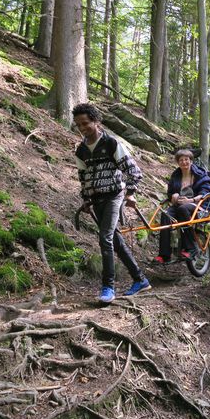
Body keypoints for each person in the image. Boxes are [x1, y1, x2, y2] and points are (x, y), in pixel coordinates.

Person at [73, 103, 151, 303]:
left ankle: (108, 287)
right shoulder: (81, 150)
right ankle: (140, 279)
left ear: (96, 122)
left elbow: (134, 172)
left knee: (105, 238)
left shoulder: (112, 144)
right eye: (78, 124)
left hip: (114, 196)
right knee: (115, 241)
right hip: (97, 200)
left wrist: (130, 193)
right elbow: (84, 177)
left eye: (86, 123)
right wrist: (87, 199)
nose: (82, 128)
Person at [154, 149, 210, 263]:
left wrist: (191, 200)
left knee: (183, 209)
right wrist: (173, 195)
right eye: (181, 160)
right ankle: (164, 255)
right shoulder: (176, 175)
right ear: (177, 162)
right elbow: (170, 192)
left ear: (191, 161)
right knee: (165, 214)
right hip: (179, 206)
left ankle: (191, 248)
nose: (184, 162)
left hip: (199, 205)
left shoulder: (199, 174)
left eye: (186, 159)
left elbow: (206, 191)